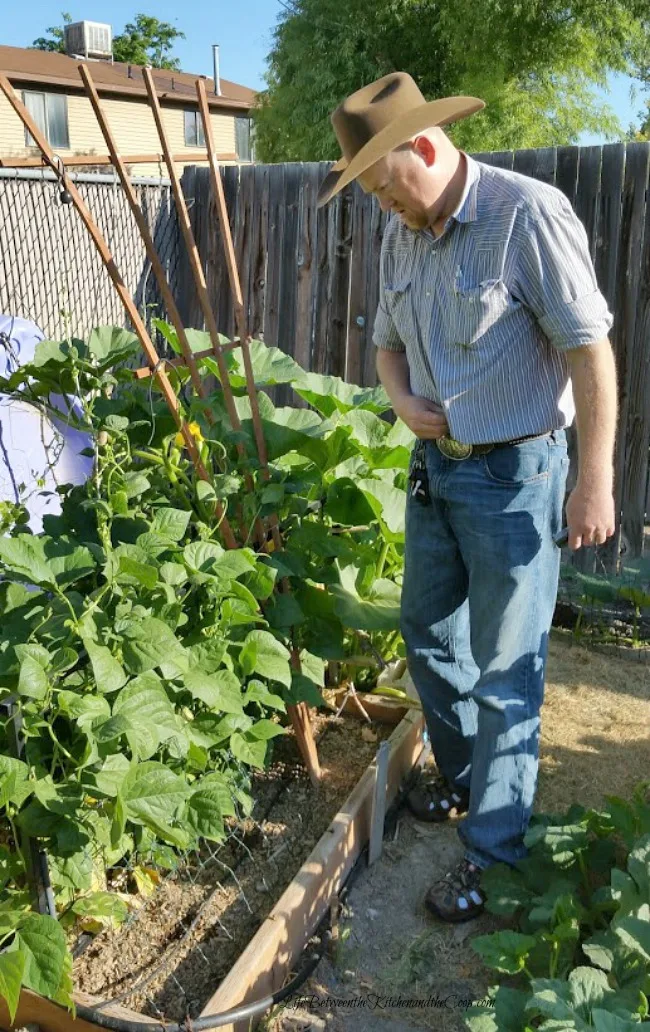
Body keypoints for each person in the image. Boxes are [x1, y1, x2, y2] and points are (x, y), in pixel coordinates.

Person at [317, 73, 617, 923]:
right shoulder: (403, 231)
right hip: (436, 472)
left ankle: (493, 855)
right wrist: (401, 402)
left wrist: (593, 479)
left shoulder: (526, 214)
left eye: (384, 184)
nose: (383, 205)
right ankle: (464, 781)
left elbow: (591, 354)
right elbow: (385, 346)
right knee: (426, 633)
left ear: (423, 145)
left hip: (516, 477)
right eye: (369, 192)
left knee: (505, 673)